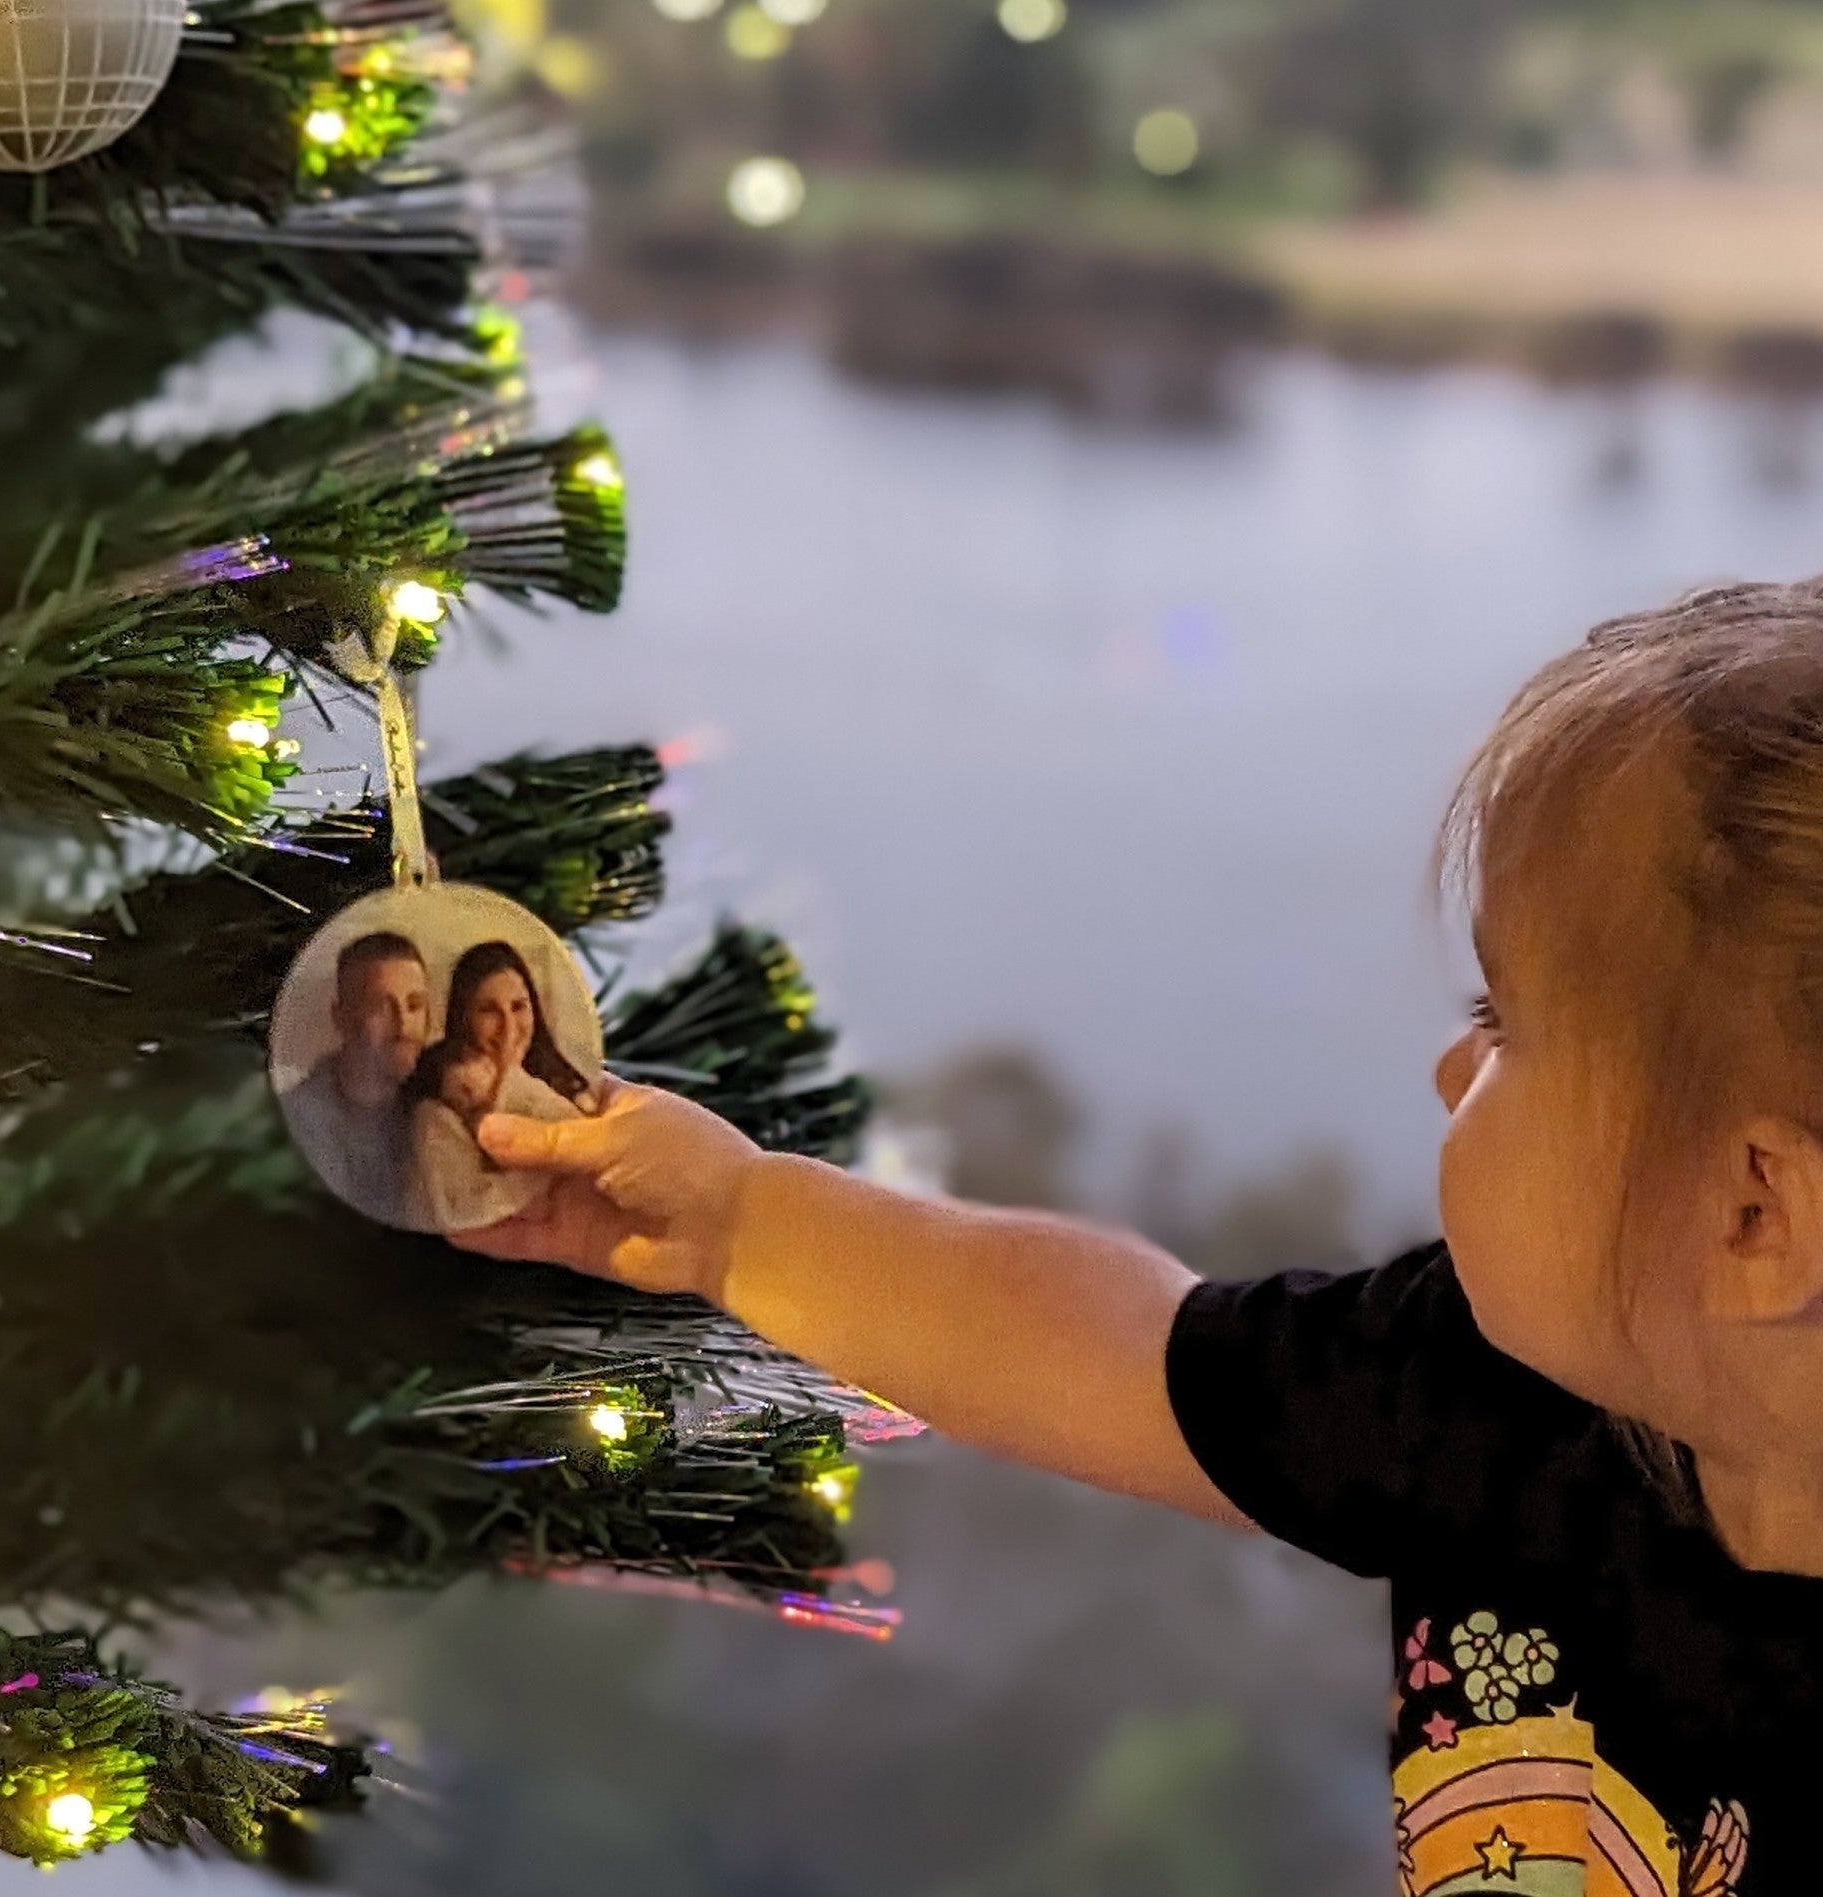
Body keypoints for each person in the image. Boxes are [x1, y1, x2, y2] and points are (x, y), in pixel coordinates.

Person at [452, 578, 1823, 1892]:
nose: (1452, 1072)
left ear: (1752, 1211)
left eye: (1508, 1027)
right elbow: (1110, 1349)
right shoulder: (1486, 1396)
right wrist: (736, 1222)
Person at [402, 939, 593, 1233]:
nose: (509, 1026)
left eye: (518, 1006)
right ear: (464, 1019)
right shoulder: (436, 1113)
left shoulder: (567, 1086)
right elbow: (465, 1213)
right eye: (488, 1010)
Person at [281, 930, 430, 1226]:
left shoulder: (436, 1107)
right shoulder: (293, 1128)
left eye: (414, 1005)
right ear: (342, 1018)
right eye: (381, 1007)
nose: (403, 1026)